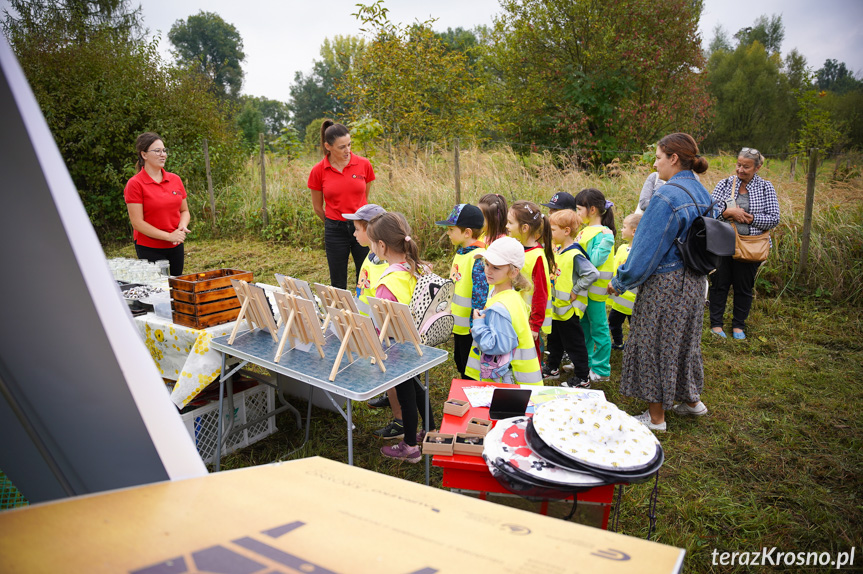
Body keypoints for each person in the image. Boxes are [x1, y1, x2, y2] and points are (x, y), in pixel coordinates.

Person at [608, 132, 713, 432]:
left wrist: (622, 279)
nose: (655, 164)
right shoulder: (703, 193)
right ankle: (692, 402)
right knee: (684, 341)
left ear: (673, 158)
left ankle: (656, 418)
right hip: (695, 281)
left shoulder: (667, 196)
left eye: (657, 157)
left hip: (666, 283)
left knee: (652, 343)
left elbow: (646, 247)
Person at [368, 213, 437, 462]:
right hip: (418, 343)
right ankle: (430, 431)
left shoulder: (387, 281)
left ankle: (409, 446)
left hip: (398, 347)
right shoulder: (419, 266)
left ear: (382, 246)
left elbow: (382, 322)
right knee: (418, 388)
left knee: (406, 393)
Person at [708, 148, 780, 340]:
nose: (740, 170)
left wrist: (749, 218)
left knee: (743, 287)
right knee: (719, 284)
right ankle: (716, 324)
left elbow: (773, 218)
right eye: (738, 165)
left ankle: (738, 325)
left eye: (746, 167)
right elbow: (710, 210)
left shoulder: (766, 187)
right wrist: (728, 213)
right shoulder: (724, 184)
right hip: (723, 243)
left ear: (757, 167)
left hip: (751, 246)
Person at [464, 237, 543, 385]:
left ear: (513, 272)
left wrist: (478, 325)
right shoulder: (506, 294)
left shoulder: (500, 307)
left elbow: (497, 346)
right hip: (510, 376)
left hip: (507, 380)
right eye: (487, 264)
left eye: (496, 267)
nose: (488, 270)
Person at [308, 120, 376, 290]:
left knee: (366, 278)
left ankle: (364, 314)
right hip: (335, 230)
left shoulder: (364, 164)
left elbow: (364, 196)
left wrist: (358, 221)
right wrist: (334, 223)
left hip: (362, 226)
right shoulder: (318, 171)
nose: (348, 150)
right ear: (328, 146)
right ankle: (341, 315)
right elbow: (317, 207)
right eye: (342, 147)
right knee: (337, 283)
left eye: (349, 145)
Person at [435, 204, 489, 380]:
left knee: (470, 369)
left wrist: (477, 327)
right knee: (460, 361)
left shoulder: (479, 258)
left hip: (471, 330)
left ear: (467, 232)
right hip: (459, 325)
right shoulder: (462, 253)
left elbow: (480, 296)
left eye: (451, 229)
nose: (448, 233)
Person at [124, 132, 190, 276]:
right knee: (159, 292)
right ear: (144, 154)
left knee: (176, 288)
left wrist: (182, 227)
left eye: (164, 150)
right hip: (149, 248)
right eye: (157, 151)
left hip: (175, 245)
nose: (163, 155)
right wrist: (169, 236)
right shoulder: (135, 184)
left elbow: (184, 211)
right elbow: (137, 223)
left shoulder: (175, 179)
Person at [545, 209, 598, 388]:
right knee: (554, 340)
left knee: (574, 344)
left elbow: (592, 273)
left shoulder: (575, 254)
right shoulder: (560, 251)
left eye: (552, 230)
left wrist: (576, 289)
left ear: (566, 231)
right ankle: (552, 368)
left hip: (569, 309)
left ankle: (582, 378)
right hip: (558, 309)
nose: (549, 233)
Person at [506, 200, 556, 365]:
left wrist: (535, 325)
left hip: (529, 322)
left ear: (525, 228)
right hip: (517, 316)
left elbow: (541, 294)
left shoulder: (537, 257)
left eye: (510, 223)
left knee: (531, 359)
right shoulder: (518, 248)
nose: (506, 226)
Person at [574, 189, 616, 384]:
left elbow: (594, 260)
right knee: (584, 327)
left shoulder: (602, 234)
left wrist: (607, 242)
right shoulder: (585, 231)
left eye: (578, 209)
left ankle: (601, 369)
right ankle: (587, 361)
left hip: (595, 292)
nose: (576, 213)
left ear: (592, 210)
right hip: (585, 290)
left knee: (599, 329)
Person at [342, 203, 388, 317]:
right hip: (361, 322)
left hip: (372, 328)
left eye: (357, 229)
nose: (354, 234)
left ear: (370, 231)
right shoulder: (371, 255)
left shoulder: (384, 265)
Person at [607, 213, 642, 350]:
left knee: (635, 326)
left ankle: (633, 347)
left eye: (624, 227)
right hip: (618, 299)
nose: (621, 230)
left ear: (634, 231)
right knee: (614, 322)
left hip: (634, 302)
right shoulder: (621, 248)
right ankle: (618, 342)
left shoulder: (640, 253)